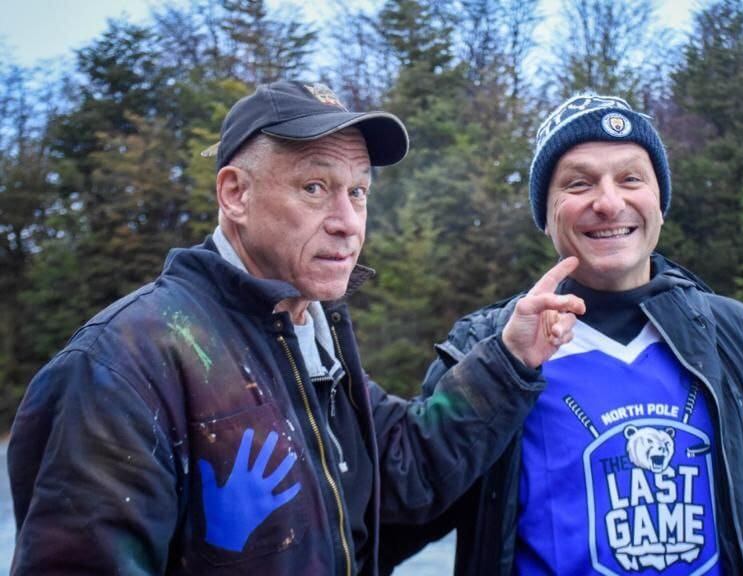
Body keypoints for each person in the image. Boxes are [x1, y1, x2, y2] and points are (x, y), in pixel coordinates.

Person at [6, 80, 585, 576]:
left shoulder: (308, 330)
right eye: (315, 188)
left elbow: (408, 471)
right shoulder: (122, 365)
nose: (348, 223)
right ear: (235, 194)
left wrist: (509, 358)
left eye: (357, 192)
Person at [387, 94, 743, 575]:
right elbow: (396, 510)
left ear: (660, 204)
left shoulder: (742, 340)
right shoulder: (486, 347)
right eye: (578, 183)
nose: (609, 203)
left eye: (631, 178)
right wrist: (503, 366)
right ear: (545, 216)